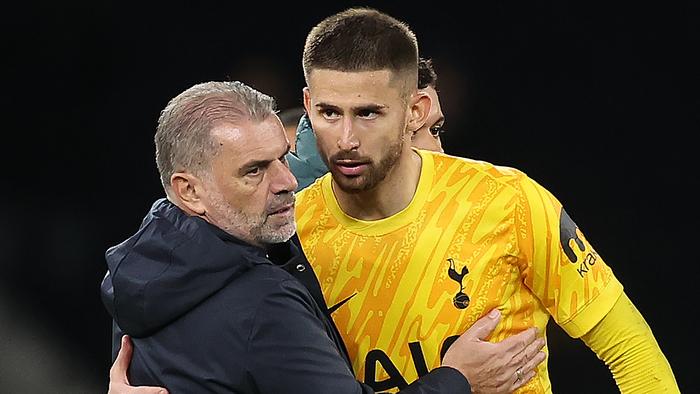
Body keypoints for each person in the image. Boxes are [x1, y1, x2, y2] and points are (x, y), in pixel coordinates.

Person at [293, 7, 679, 393]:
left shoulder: (506, 201)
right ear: (309, 106)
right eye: (329, 113)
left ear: (415, 112)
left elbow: (632, 352)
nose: (346, 139)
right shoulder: (291, 238)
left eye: (368, 113)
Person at [101, 80, 546, 393]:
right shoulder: (262, 305)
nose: (286, 181)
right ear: (189, 190)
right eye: (254, 171)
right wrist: (460, 378)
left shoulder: (143, 261)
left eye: (283, 158)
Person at [288, 57, 445, 191]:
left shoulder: (459, 202)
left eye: (435, 130)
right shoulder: (289, 211)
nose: (437, 151)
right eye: (409, 132)